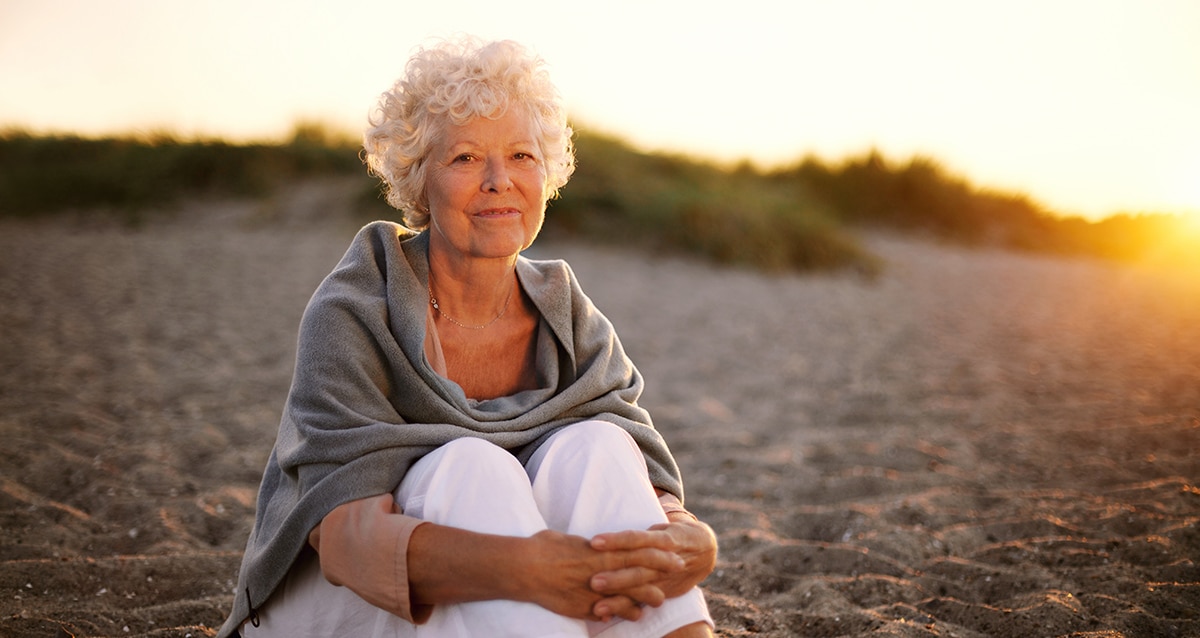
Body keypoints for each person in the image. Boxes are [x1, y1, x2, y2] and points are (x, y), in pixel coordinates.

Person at [217, 37, 717, 638]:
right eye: (465, 159)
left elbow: (645, 481)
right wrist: (524, 569)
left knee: (600, 446)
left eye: (522, 156)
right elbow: (344, 540)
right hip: (333, 603)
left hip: (504, 603)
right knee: (471, 465)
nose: (499, 181)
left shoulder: (566, 314)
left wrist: (689, 538)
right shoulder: (356, 308)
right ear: (418, 178)